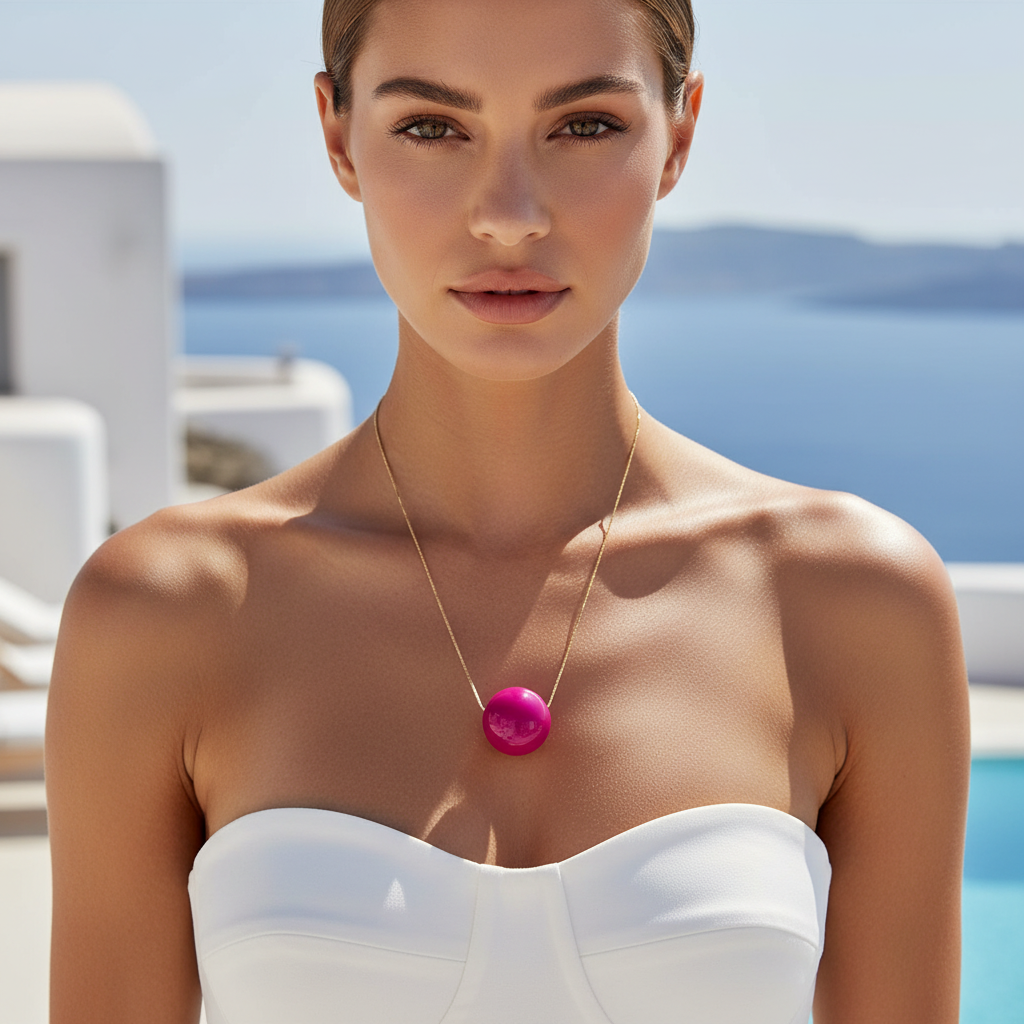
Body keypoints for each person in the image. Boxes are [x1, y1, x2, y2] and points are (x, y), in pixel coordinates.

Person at [46, 0, 971, 1021]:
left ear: (679, 134)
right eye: (432, 127)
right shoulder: (168, 613)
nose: (510, 213)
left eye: (584, 125)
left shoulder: (851, 603)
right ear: (336, 135)